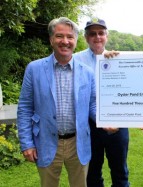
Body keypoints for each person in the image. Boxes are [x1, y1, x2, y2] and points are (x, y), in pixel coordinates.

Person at [17, 17, 96, 187]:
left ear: (75, 40)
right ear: (51, 39)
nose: (65, 41)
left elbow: (92, 105)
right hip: (45, 142)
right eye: (60, 36)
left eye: (70, 37)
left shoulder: (87, 72)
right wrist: (27, 144)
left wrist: (109, 120)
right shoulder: (34, 69)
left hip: (78, 143)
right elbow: (25, 108)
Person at [74, 17, 130, 187]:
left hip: (117, 123)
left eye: (101, 33)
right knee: (92, 173)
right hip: (89, 125)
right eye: (92, 34)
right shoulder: (75, 60)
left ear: (107, 36)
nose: (97, 37)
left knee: (120, 172)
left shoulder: (118, 58)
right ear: (85, 37)